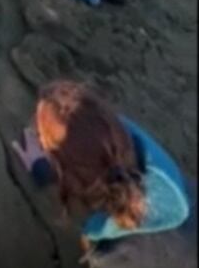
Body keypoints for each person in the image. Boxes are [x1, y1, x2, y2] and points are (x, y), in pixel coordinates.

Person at [11, 80, 195, 267]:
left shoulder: (117, 257)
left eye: (42, 140)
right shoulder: (128, 145)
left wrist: (46, 174)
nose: (38, 138)